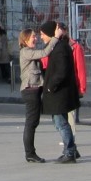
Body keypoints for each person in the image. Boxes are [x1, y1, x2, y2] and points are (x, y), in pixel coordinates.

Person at [39, 20, 79, 163]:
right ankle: (72, 150)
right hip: (59, 92)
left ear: (50, 33)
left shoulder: (60, 48)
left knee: (61, 123)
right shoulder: (58, 46)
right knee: (59, 122)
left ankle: (70, 152)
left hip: (59, 93)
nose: (41, 37)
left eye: (43, 34)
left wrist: (51, 86)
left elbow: (61, 72)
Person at [18, 26, 57, 163]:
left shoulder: (30, 51)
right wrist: (55, 38)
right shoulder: (26, 52)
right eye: (33, 36)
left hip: (34, 89)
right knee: (31, 122)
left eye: (35, 36)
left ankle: (30, 153)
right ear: (26, 39)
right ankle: (30, 153)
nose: (35, 38)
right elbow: (45, 52)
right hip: (30, 90)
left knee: (33, 122)